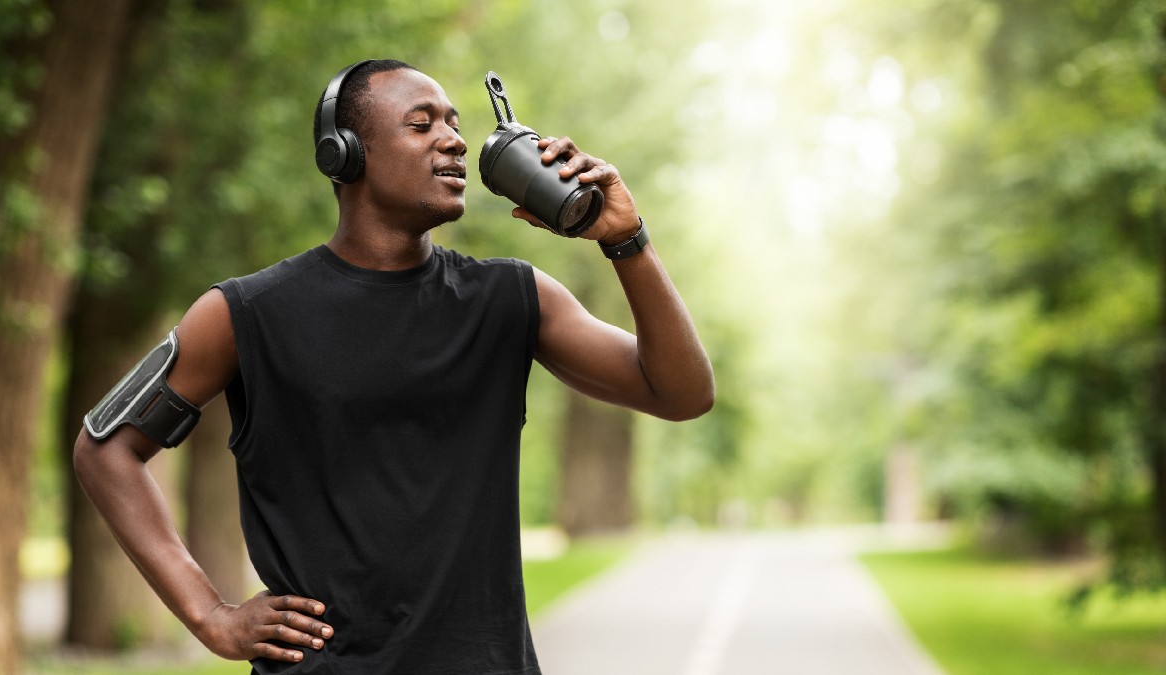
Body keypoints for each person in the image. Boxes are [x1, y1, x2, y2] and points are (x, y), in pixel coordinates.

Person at [73, 59, 714, 674]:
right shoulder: (244, 313)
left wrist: (625, 242)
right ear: (345, 152)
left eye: (456, 124)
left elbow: (682, 392)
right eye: (422, 123)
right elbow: (105, 451)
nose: (455, 142)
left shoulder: (514, 300)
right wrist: (210, 614)